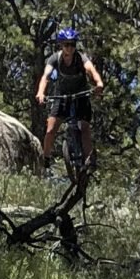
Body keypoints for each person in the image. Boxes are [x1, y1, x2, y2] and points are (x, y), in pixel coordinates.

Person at [36, 26, 103, 172]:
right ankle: (46, 158)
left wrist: (99, 83)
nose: (70, 48)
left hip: (81, 94)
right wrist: (41, 92)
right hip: (62, 95)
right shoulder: (55, 59)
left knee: (84, 128)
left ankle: (90, 160)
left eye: (73, 44)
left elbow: (91, 70)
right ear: (61, 45)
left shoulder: (81, 58)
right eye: (67, 44)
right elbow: (45, 77)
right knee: (51, 128)